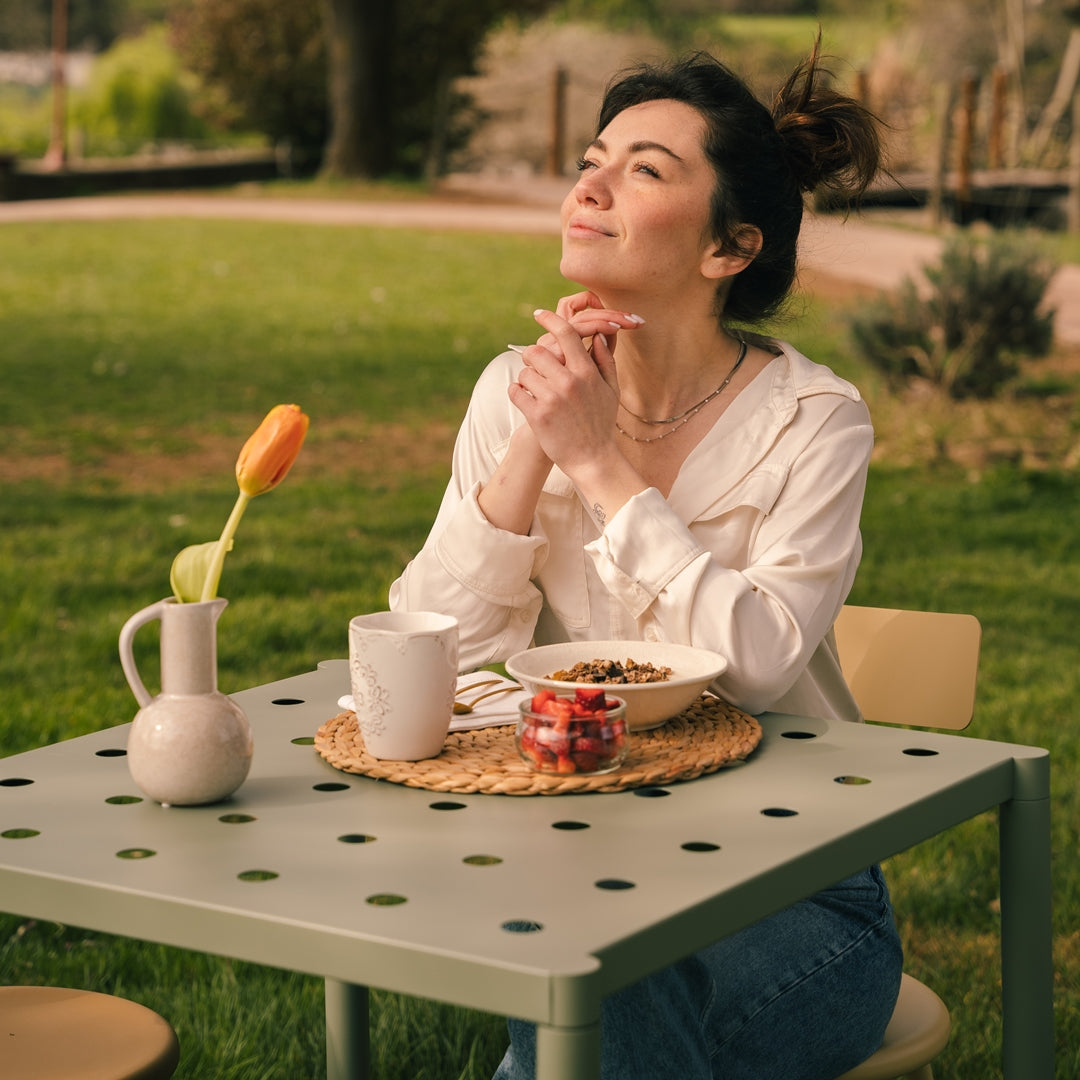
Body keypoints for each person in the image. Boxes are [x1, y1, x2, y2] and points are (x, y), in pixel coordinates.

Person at [390, 39, 903, 1080]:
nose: (592, 181)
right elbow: (436, 656)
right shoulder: (518, 394)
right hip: (585, 856)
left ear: (729, 249)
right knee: (588, 984)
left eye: (647, 168)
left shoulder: (816, 422)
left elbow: (755, 667)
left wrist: (598, 460)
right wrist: (535, 446)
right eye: (594, 155)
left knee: (592, 988)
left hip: (801, 887)